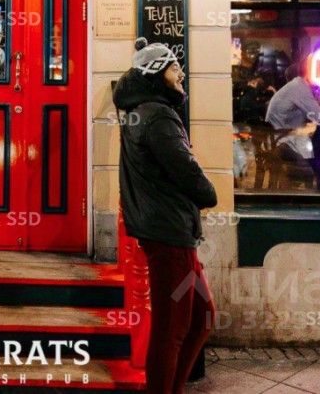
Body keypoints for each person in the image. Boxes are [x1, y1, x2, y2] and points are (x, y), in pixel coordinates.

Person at [113, 38, 217, 394]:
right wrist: (208, 193)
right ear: (157, 74)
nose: (181, 74)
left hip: (175, 235)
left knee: (202, 315)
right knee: (171, 329)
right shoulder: (157, 116)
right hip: (170, 236)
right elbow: (185, 169)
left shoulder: (142, 110)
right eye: (174, 68)